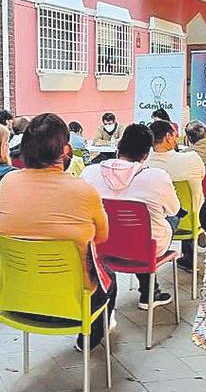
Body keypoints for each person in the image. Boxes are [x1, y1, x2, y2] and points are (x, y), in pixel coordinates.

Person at [0, 113, 116, 351]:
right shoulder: (84, 190)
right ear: (65, 150)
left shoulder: (7, 183)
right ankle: (87, 341)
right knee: (110, 280)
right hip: (73, 305)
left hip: (17, 301)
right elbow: (102, 237)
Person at [81, 123, 179, 309]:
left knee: (139, 229)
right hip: (146, 249)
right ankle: (150, 292)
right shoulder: (157, 177)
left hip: (102, 246)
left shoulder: (90, 173)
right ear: (146, 154)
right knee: (171, 218)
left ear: (118, 147)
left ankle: (148, 290)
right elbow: (173, 210)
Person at [146, 120, 206, 271]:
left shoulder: (144, 163)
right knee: (190, 199)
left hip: (153, 223)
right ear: (168, 137)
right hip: (193, 219)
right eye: (175, 135)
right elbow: (202, 176)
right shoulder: (192, 158)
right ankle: (193, 248)